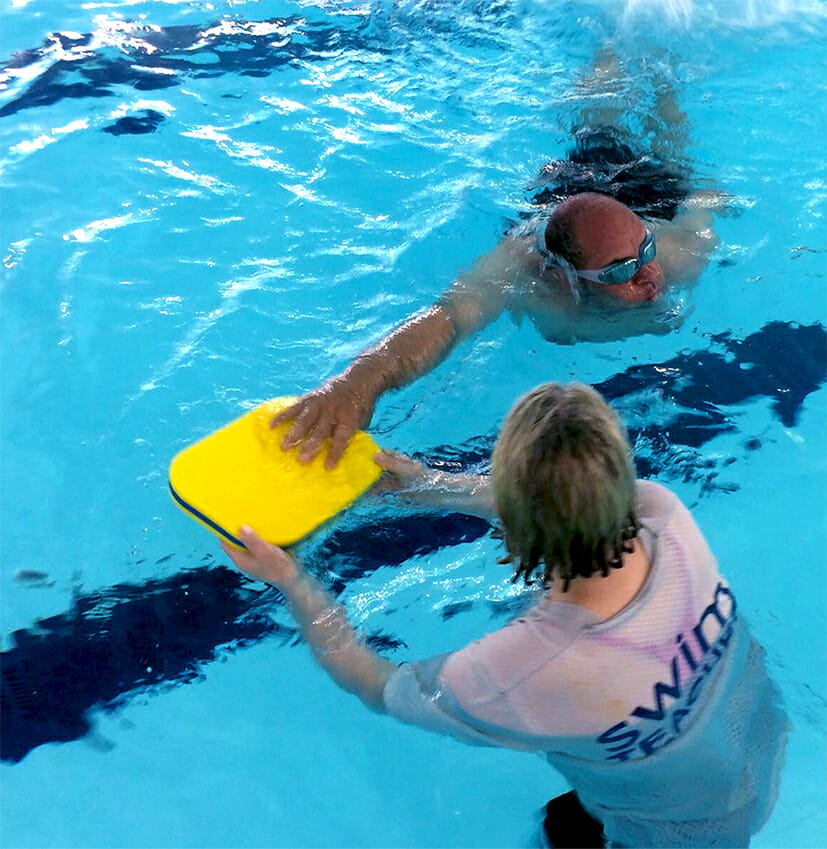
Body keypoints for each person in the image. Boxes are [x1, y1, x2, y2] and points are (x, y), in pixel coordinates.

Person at [223, 382, 788, 848]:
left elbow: (368, 680)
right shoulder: (664, 513)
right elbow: (568, 502)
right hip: (758, 762)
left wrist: (291, 581)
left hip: (663, 838)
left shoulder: (525, 669)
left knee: (563, 831)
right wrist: (430, 487)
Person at [273, 49, 724, 469]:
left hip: (640, 198)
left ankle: (663, 78)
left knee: (670, 151)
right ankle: (609, 49)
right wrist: (355, 384)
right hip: (571, 204)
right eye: (622, 270)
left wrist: (698, 206)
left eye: (645, 253)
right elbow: (447, 319)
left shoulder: (673, 254)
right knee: (596, 130)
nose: (649, 276)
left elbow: (702, 201)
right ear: (565, 279)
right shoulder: (522, 271)